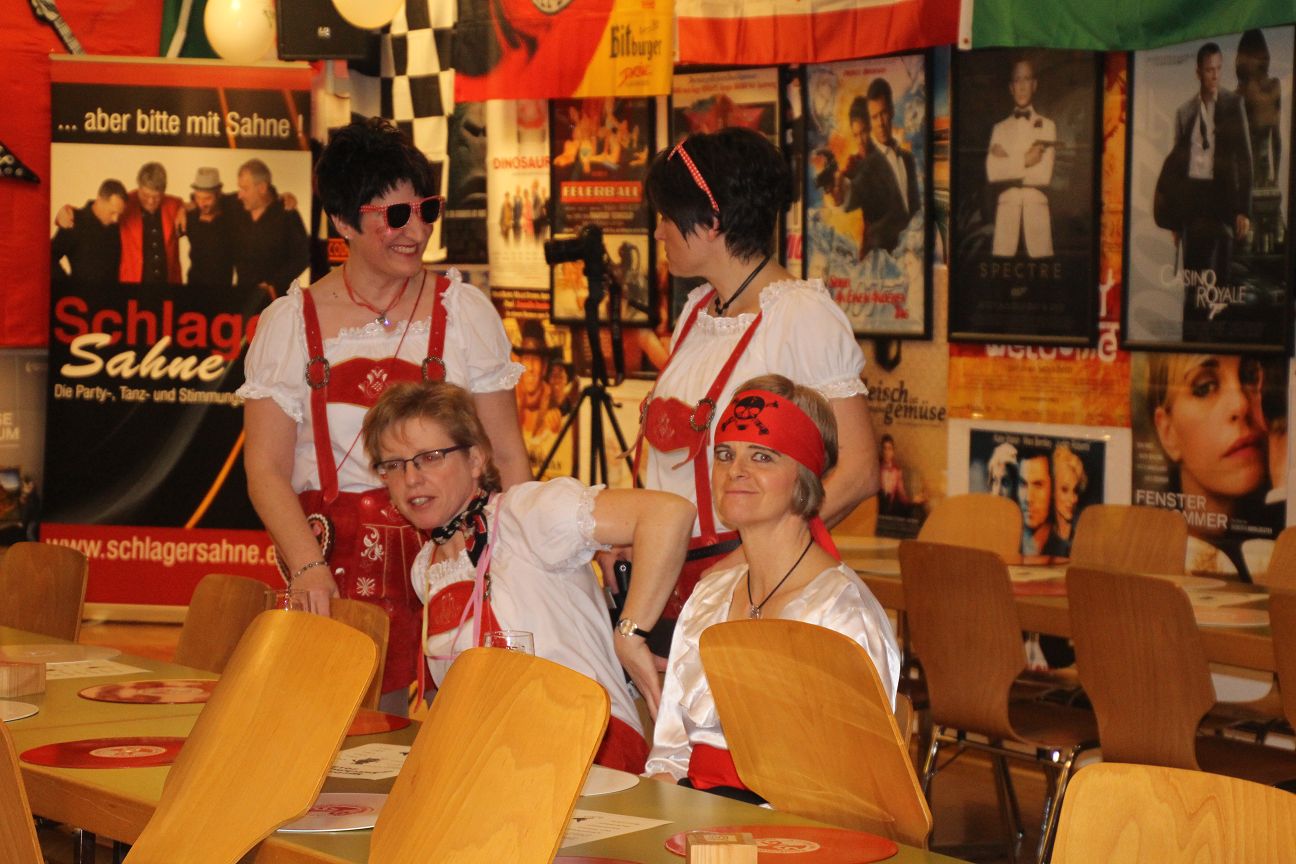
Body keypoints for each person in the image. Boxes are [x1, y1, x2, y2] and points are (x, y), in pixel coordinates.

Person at [238, 117, 531, 713]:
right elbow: (265, 469)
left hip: (456, 555)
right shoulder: (291, 323)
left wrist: (521, 562)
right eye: (396, 216)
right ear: (343, 222)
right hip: (336, 561)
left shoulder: (464, 312)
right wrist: (308, 566)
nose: (416, 231)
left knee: (464, 724)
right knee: (346, 727)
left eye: (426, 210)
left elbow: (505, 456)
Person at [361, 380, 694, 772]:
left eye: (430, 457)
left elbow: (668, 514)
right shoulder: (426, 567)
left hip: (587, 750)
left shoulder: (526, 514)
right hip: (497, 759)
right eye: (394, 465)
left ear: (475, 459)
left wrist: (630, 635)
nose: (411, 479)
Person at [639, 127, 879, 654]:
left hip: (750, 589)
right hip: (665, 583)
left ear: (712, 221)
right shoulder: (697, 312)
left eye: (667, 217)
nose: (658, 232)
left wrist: (743, 561)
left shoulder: (800, 316)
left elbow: (859, 471)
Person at [644, 376, 900, 798]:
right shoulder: (709, 598)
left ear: (804, 477)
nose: (735, 471)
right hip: (693, 818)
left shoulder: (842, 615)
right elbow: (670, 760)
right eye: (725, 454)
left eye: (762, 456)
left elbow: (852, 792)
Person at [1147, 354, 1267, 579]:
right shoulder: (1152, 552)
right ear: (1167, 432)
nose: (1241, 404)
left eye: (1250, 376)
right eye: (1205, 387)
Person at [1169, 43, 1252, 291]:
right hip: (1192, 200)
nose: (1215, 75)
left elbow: (1245, 158)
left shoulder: (1233, 104)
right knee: (1193, 279)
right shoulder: (1185, 112)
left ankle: (1217, 313)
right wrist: (1175, 220)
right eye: (1209, 70)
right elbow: (1177, 170)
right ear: (1198, 72)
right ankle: (1195, 315)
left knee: (1221, 280)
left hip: (1222, 199)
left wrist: (1243, 209)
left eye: (1218, 69)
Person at [825, 82, 920, 257]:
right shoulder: (865, 165)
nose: (881, 123)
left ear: (891, 111)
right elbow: (852, 192)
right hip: (881, 256)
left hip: (912, 255)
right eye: (875, 117)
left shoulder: (908, 159)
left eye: (883, 114)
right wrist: (838, 195)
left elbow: (915, 209)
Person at [986, 58, 1056, 258]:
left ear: (1034, 85)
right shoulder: (999, 129)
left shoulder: (1048, 126)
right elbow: (992, 172)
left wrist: (1007, 162)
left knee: (1040, 272)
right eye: (1017, 80)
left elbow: (1043, 176)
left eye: (1027, 79)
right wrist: (1025, 160)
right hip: (1006, 220)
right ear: (1011, 87)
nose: (1022, 86)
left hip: (1037, 219)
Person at [232, 158, 310, 296]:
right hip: (242, 298)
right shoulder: (236, 208)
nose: (239, 195)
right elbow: (210, 200)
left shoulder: (286, 212)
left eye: (245, 189)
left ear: (262, 188)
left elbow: (304, 255)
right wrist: (189, 206)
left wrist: (274, 282)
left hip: (276, 298)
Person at [50, 178, 127, 284]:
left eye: (119, 214)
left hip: (113, 293)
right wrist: (65, 286)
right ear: (99, 200)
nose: (116, 219)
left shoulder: (117, 227)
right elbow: (49, 256)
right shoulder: (74, 222)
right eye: (112, 212)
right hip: (81, 293)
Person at [118, 162, 184, 284]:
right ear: (139, 187)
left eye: (157, 197)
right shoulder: (125, 204)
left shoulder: (175, 205)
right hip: (132, 283)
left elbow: (197, 204)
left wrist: (184, 210)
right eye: (145, 195)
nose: (151, 201)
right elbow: (101, 209)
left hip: (168, 284)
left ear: (163, 192)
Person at [183, 167, 235, 289]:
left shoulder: (231, 213)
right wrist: (181, 208)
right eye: (198, 197)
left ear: (218, 195)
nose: (202, 203)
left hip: (223, 289)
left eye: (207, 198)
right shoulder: (190, 216)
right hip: (194, 287)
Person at [1018, 447, 1062, 560]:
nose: (1028, 498)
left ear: (1053, 490)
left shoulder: (1065, 552)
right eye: (1023, 484)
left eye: (1038, 485)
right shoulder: (1005, 545)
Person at [1051, 444, 1087, 552]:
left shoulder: (1084, 537)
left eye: (1075, 491)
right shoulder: (1043, 539)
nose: (1072, 499)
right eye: (1065, 490)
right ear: (1052, 490)